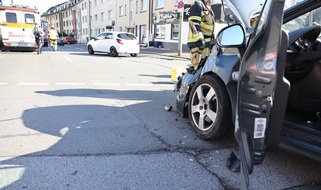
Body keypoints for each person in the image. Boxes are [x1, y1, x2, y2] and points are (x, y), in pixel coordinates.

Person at [187, 0, 215, 72]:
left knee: (205, 71)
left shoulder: (208, 6)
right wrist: (200, 40)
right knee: (198, 71)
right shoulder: (197, 4)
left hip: (207, 46)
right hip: (199, 46)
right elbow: (193, 23)